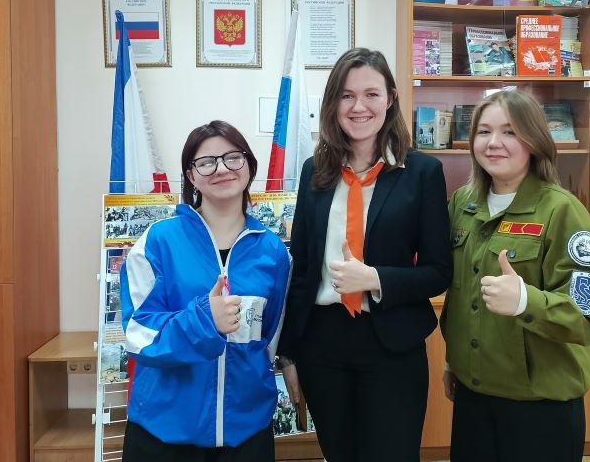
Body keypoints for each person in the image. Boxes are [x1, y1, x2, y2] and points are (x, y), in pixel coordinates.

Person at [277, 48, 453, 462]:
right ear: (333, 103)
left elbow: (438, 271)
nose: (359, 107)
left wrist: (375, 279)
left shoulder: (422, 173)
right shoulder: (314, 171)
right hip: (322, 343)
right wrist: (288, 352)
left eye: (371, 94)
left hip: (391, 343)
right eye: (347, 95)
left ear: (390, 98)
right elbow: (301, 269)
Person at [441, 89, 590, 462]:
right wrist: (453, 360)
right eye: (484, 131)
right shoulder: (462, 204)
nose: (493, 143)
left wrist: (526, 300)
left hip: (539, 405)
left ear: (534, 140)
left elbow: (587, 317)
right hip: (473, 396)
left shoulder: (562, 210)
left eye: (509, 132)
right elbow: (460, 297)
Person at [120, 120, 291, 461]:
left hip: (247, 433)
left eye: (233, 158)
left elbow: (268, 339)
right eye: (206, 162)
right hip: (163, 432)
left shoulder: (273, 252)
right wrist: (204, 321)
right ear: (191, 176)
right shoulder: (158, 241)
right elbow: (139, 335)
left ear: (249, 166)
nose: (222, 169)